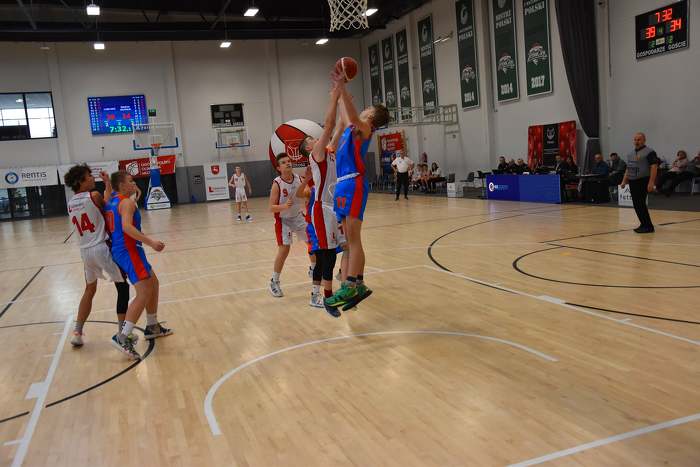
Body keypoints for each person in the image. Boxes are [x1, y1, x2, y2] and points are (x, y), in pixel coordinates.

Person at [325, 74, 390, 311]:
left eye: (368, 108)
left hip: (354, 183)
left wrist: (343, 87)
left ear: (371, 116)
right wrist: (339, 94)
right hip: (343, 184)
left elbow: (352, 117)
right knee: (348, 241)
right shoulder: (351, 129)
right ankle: (359, 285)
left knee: (353, 240)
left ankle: (350, 285)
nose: (364, 108)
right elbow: (345, 117)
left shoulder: (365, 128)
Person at [107, 171, 172, 360]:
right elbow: (127, 226)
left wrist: (133, 194)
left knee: (153, 283)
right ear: (121, 185)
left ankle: (152, 326)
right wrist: (151, 242)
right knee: (144, 292)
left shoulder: (113, 200)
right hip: (129, 250)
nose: (134, 183)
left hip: (122, 250)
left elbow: (120, 204)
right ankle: (122, 336)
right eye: (130, 181)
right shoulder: (126, 203)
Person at [63, 165, 130, 347]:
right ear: (80, 181)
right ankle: (122, 334)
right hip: (101, 247)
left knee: (89, 290)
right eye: (89, 176)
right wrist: (108, 183)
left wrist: (106, 183)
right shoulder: (94, 196)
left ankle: (77, 332)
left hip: (85, 252)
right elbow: (108, 205)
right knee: (122, 287)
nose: (93, 178)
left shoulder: (70, 203)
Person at [268, 152, 313, 297]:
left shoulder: (299, 179)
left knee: (312, 242)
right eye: (283, 162)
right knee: (284, 249)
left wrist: (308, 193)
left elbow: (307, 193)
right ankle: (274, 281)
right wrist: (284, 206)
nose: (287, 163)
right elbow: (271, 208)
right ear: (278, 168)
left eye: (288, 161)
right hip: (283, 219)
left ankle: (314, 270)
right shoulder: (277, 184)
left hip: (298, 217)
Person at [620, 132, 659, 233]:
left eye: (639, 139)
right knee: (637, 204)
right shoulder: (630, 154)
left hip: (643, 180)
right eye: (635, 140)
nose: (637, 141)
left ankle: (648, 226)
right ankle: (643, 224)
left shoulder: (650, 152)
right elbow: (628, 168)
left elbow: (654, 167)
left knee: (640, 203)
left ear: (644, 140)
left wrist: (651, 182)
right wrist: (624, 181)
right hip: (633, 181)